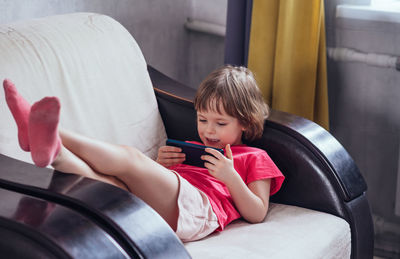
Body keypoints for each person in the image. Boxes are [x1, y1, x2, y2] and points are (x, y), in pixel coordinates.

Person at [3, 65, 284, 242]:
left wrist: (230, 177)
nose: (209, 131)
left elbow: (257, 213)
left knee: (130, 157)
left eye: (220, 123)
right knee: (105, 186)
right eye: (202, 119)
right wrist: (161, 166)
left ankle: (44, 129)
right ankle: (55, 153)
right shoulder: (193, 147)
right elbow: (159, 186)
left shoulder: (254, 157)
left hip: (201, 211)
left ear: (245, 122)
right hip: (165, 206)